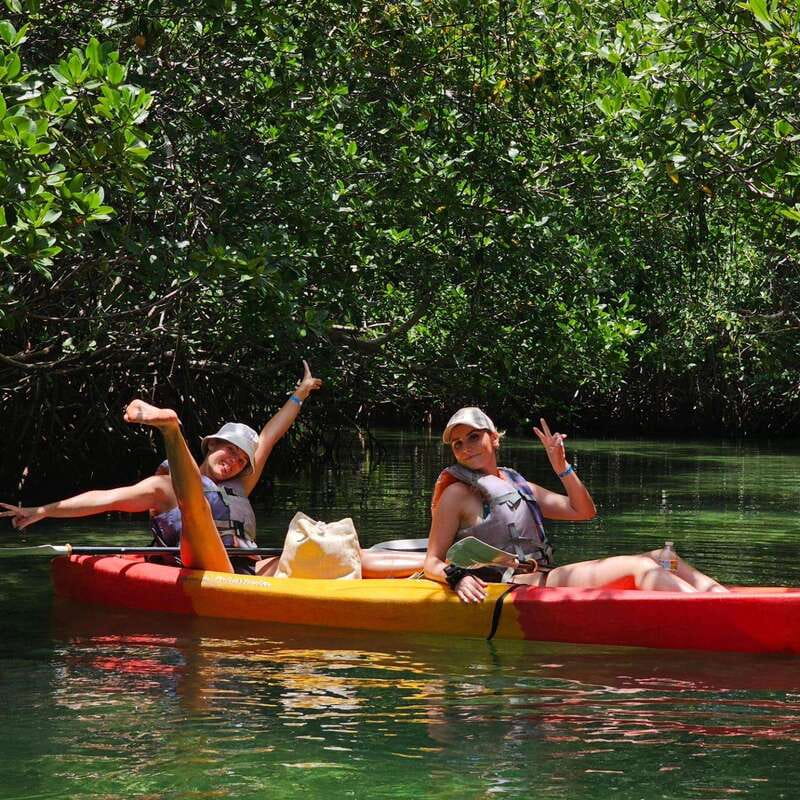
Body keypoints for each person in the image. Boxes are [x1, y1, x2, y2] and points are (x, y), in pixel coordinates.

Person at [1, 361, 424, 578]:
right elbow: (106, 499)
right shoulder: (163, 487)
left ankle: (438, 565)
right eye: (228, 451)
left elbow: (270, 435)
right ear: (211, 446)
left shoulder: (240, 485)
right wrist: (43, 511)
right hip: (199, 563)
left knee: (330, 550)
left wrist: (301, 393)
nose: (234, 460)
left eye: (241, 458)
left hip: (246, 566)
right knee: (196, 504)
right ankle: (170, 429)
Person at [424, 407, 727, 603]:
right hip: (516, 583)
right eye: (458, 443)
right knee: (640, 568)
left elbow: (582, 511)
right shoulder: (457, 494)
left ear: (494, 439)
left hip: (544, 575)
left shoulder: (517, 484)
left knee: (663, 557)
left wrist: (562, 467)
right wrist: (458, 576)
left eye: (473, 437)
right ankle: (716, 615)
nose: (466, 448)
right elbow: (432, 562)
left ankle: (726, 602)